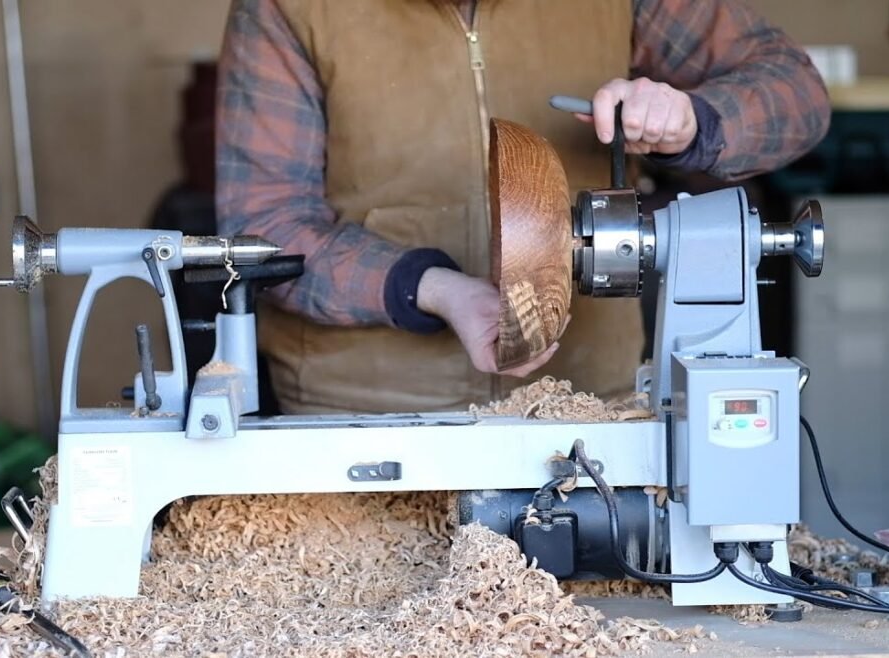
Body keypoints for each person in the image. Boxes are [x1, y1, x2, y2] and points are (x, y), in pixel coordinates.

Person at [215, 0, 831, 415]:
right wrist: (432, 288)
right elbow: (264, 229)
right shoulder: (287, 9)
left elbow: (796, 92)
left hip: (586, 407)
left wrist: (692, 118)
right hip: (365, 413)